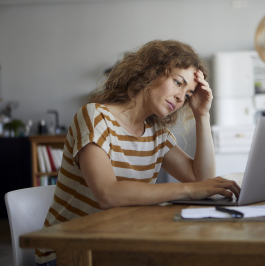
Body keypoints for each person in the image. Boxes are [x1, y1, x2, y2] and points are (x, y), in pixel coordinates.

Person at [35, 40, 240, 265]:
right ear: (150, 73)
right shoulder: (94, 116)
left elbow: (203, 180)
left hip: (117, 247)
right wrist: (190, 190)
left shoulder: (156, 132)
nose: (182, 98)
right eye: (178, 83)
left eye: (188, 95)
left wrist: (202, 115)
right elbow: (107, 194)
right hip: (67, 253)